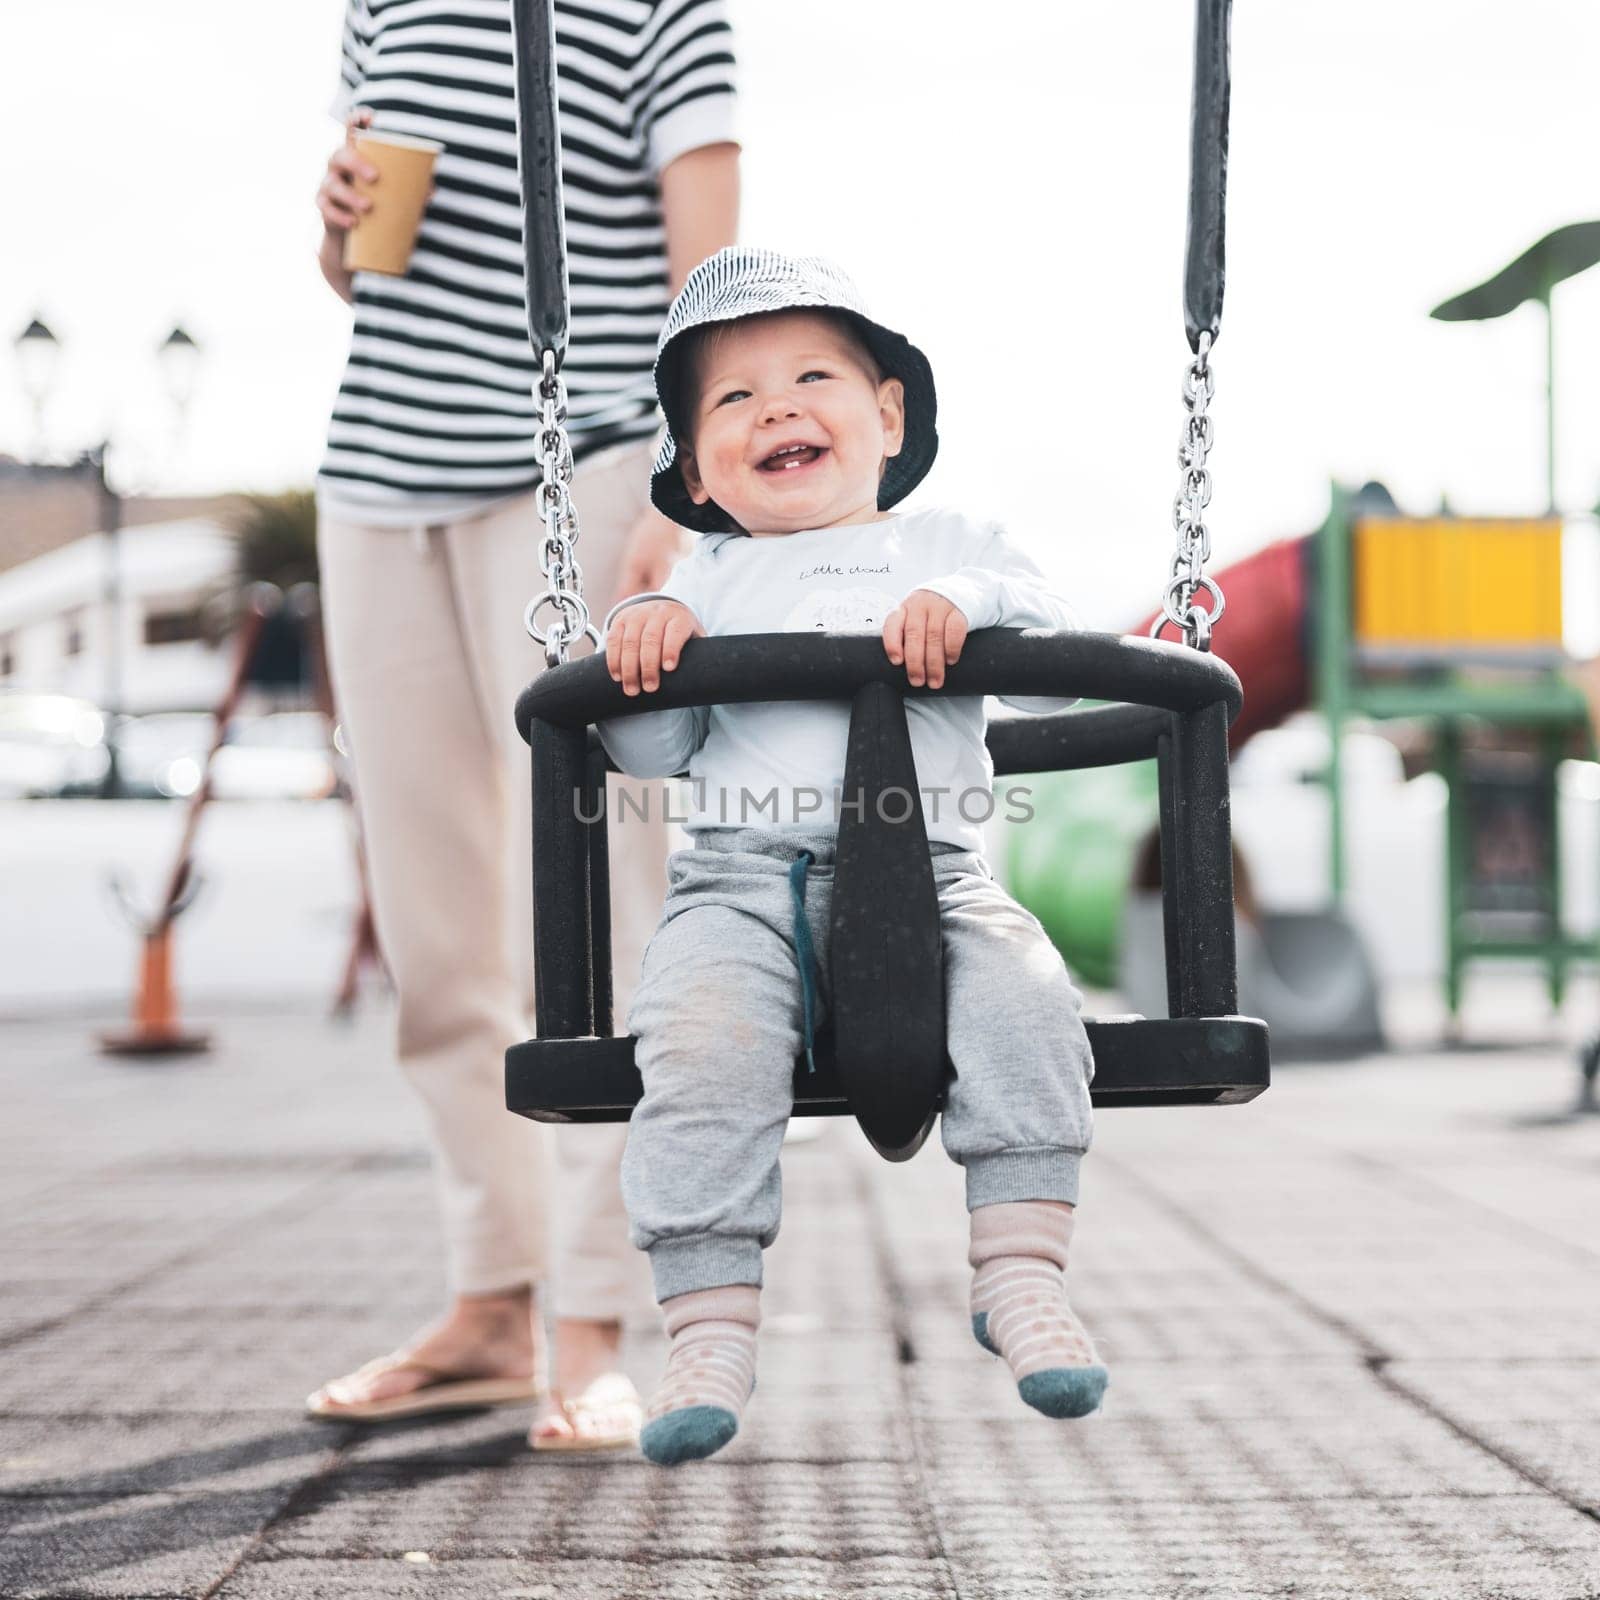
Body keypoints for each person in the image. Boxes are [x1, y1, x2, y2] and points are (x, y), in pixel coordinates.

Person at [304, 0, 739, 1451]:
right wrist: (333, 225)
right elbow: (366, 275)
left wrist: (684, 507)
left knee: (592, 912)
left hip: (584, 460)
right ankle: (491, 1298)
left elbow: (712, 276)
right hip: (377, 471)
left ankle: (599, 1319)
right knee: (434, 923)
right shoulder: (379, 5)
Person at [597, 247, 1108, 1466]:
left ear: (885, 413)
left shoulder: (946, 539)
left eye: (812, 376)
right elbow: (648, 745)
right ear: (697, 469)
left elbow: (1041, 615)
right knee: (700, 1044)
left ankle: (1020, 1269)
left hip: (934, 875)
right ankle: (707, 1317)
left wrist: (966, 605)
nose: (776, 406)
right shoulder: (703, 578)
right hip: (742, 885)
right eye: (733, 398)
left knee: (1029, 1007)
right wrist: (642, 636)